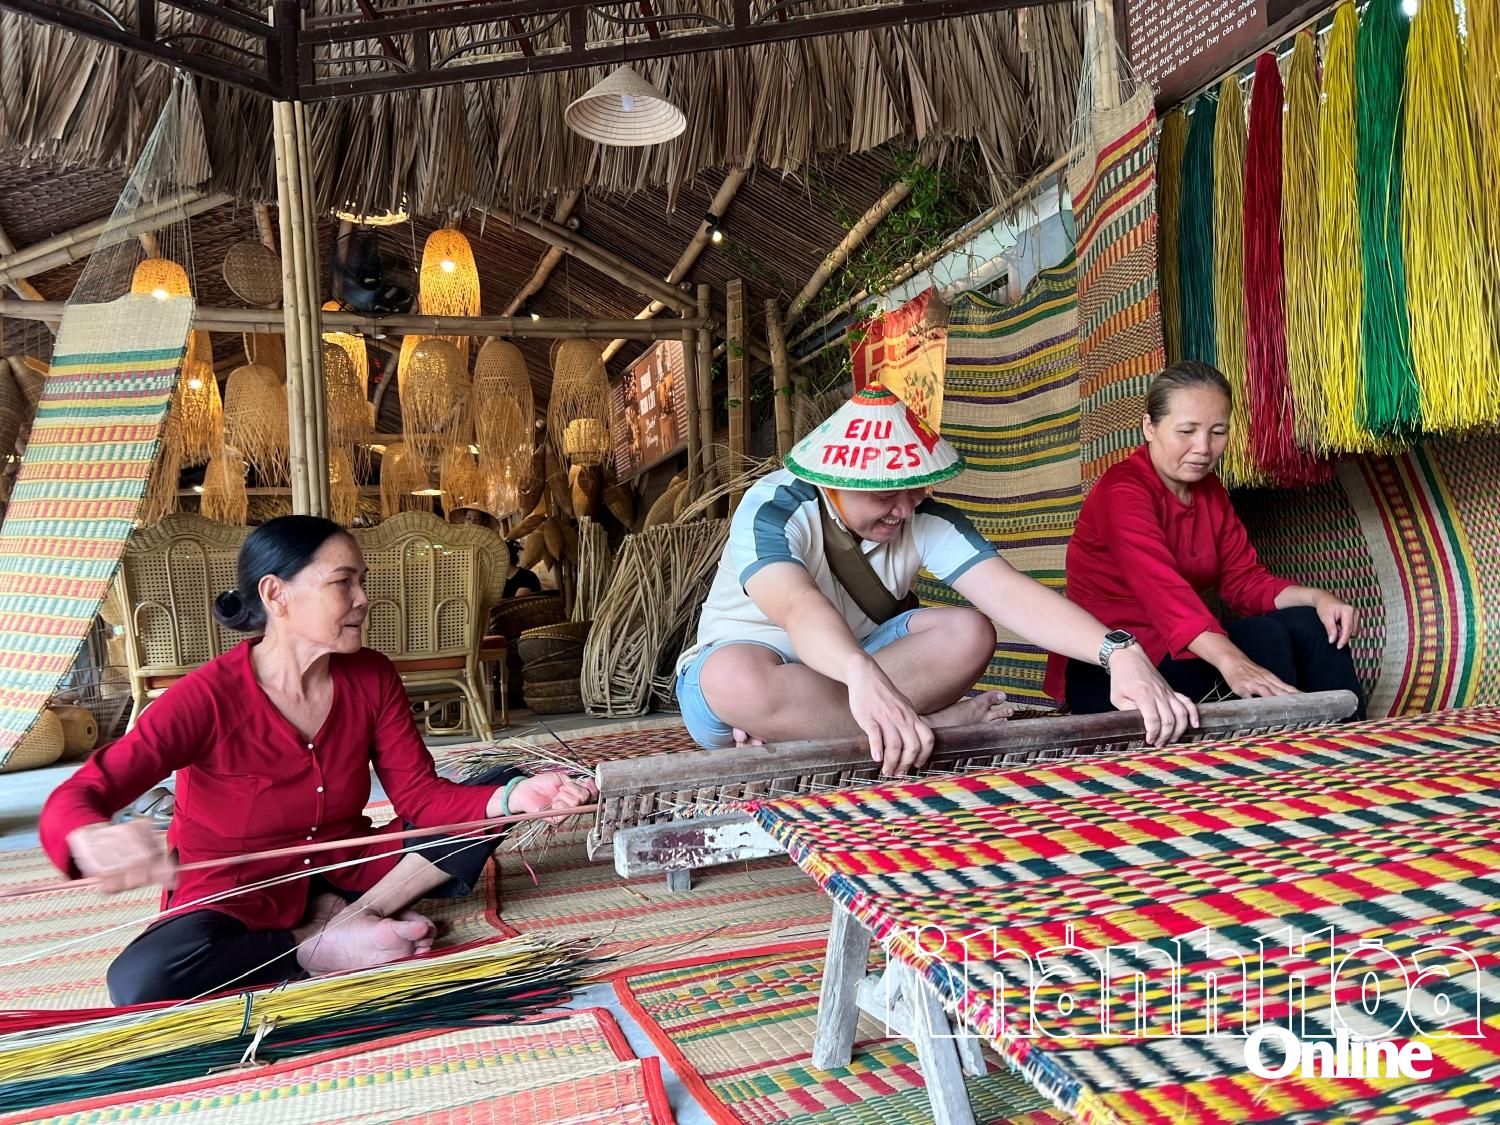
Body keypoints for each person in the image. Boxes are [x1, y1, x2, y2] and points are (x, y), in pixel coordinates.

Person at [40, 516, 595, 1005]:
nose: (362, 598)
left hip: (348, 869)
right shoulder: (207, 699)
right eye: (342, 582)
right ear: (276, 594)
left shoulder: (372, 675)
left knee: (496, 787)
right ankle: (315, 947)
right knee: (142, 979)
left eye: (361, 581)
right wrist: (88, 836)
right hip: (237, 891)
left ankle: (353, 914)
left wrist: (511, 799)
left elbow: (422, 798)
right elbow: (76, 796)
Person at [675, 386, 1197, 775]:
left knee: (970, 630)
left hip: (849, 681)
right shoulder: (775, 507)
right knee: (733, 677)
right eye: (885, 496)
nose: (904, 510)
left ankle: (808, 734)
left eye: (915, 491)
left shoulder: (923, 515)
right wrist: (862, 677)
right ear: (835, 482)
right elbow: (797, 606)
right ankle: (932, 726)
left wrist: (1119, 652)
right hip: (764, 670)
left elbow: (1009, 594)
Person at [1045, 361, 1366, 718]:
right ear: (1149, 428)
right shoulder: (1122, 492)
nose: (1203, 447)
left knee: (1310, 623)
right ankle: (1274, 758)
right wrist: (1233, 662)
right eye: (1186, 431)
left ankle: (1350, 739)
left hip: (1181, 648)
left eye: (1217, 432)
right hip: (1115, 668)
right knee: (1264, 639)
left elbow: (1245, 581)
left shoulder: (1209, 491)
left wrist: (1318, 597)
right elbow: (1168, 598)